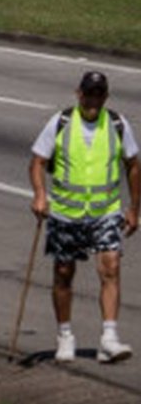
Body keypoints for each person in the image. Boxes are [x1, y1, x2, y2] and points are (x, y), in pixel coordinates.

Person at [29, 70, 141, 364]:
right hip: (67, 213)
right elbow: (38, 161)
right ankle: (65, 335)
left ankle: (109, 337)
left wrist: (133, 208)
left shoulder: (116, 124)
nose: (93, 100)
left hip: (105, 211)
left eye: (98, 94)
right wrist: (40, 194)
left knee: (111, 267)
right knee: (64, 273)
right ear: (79, 94)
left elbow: (133, 165)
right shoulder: (61, 122)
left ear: (105, 97)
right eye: (88, 94)